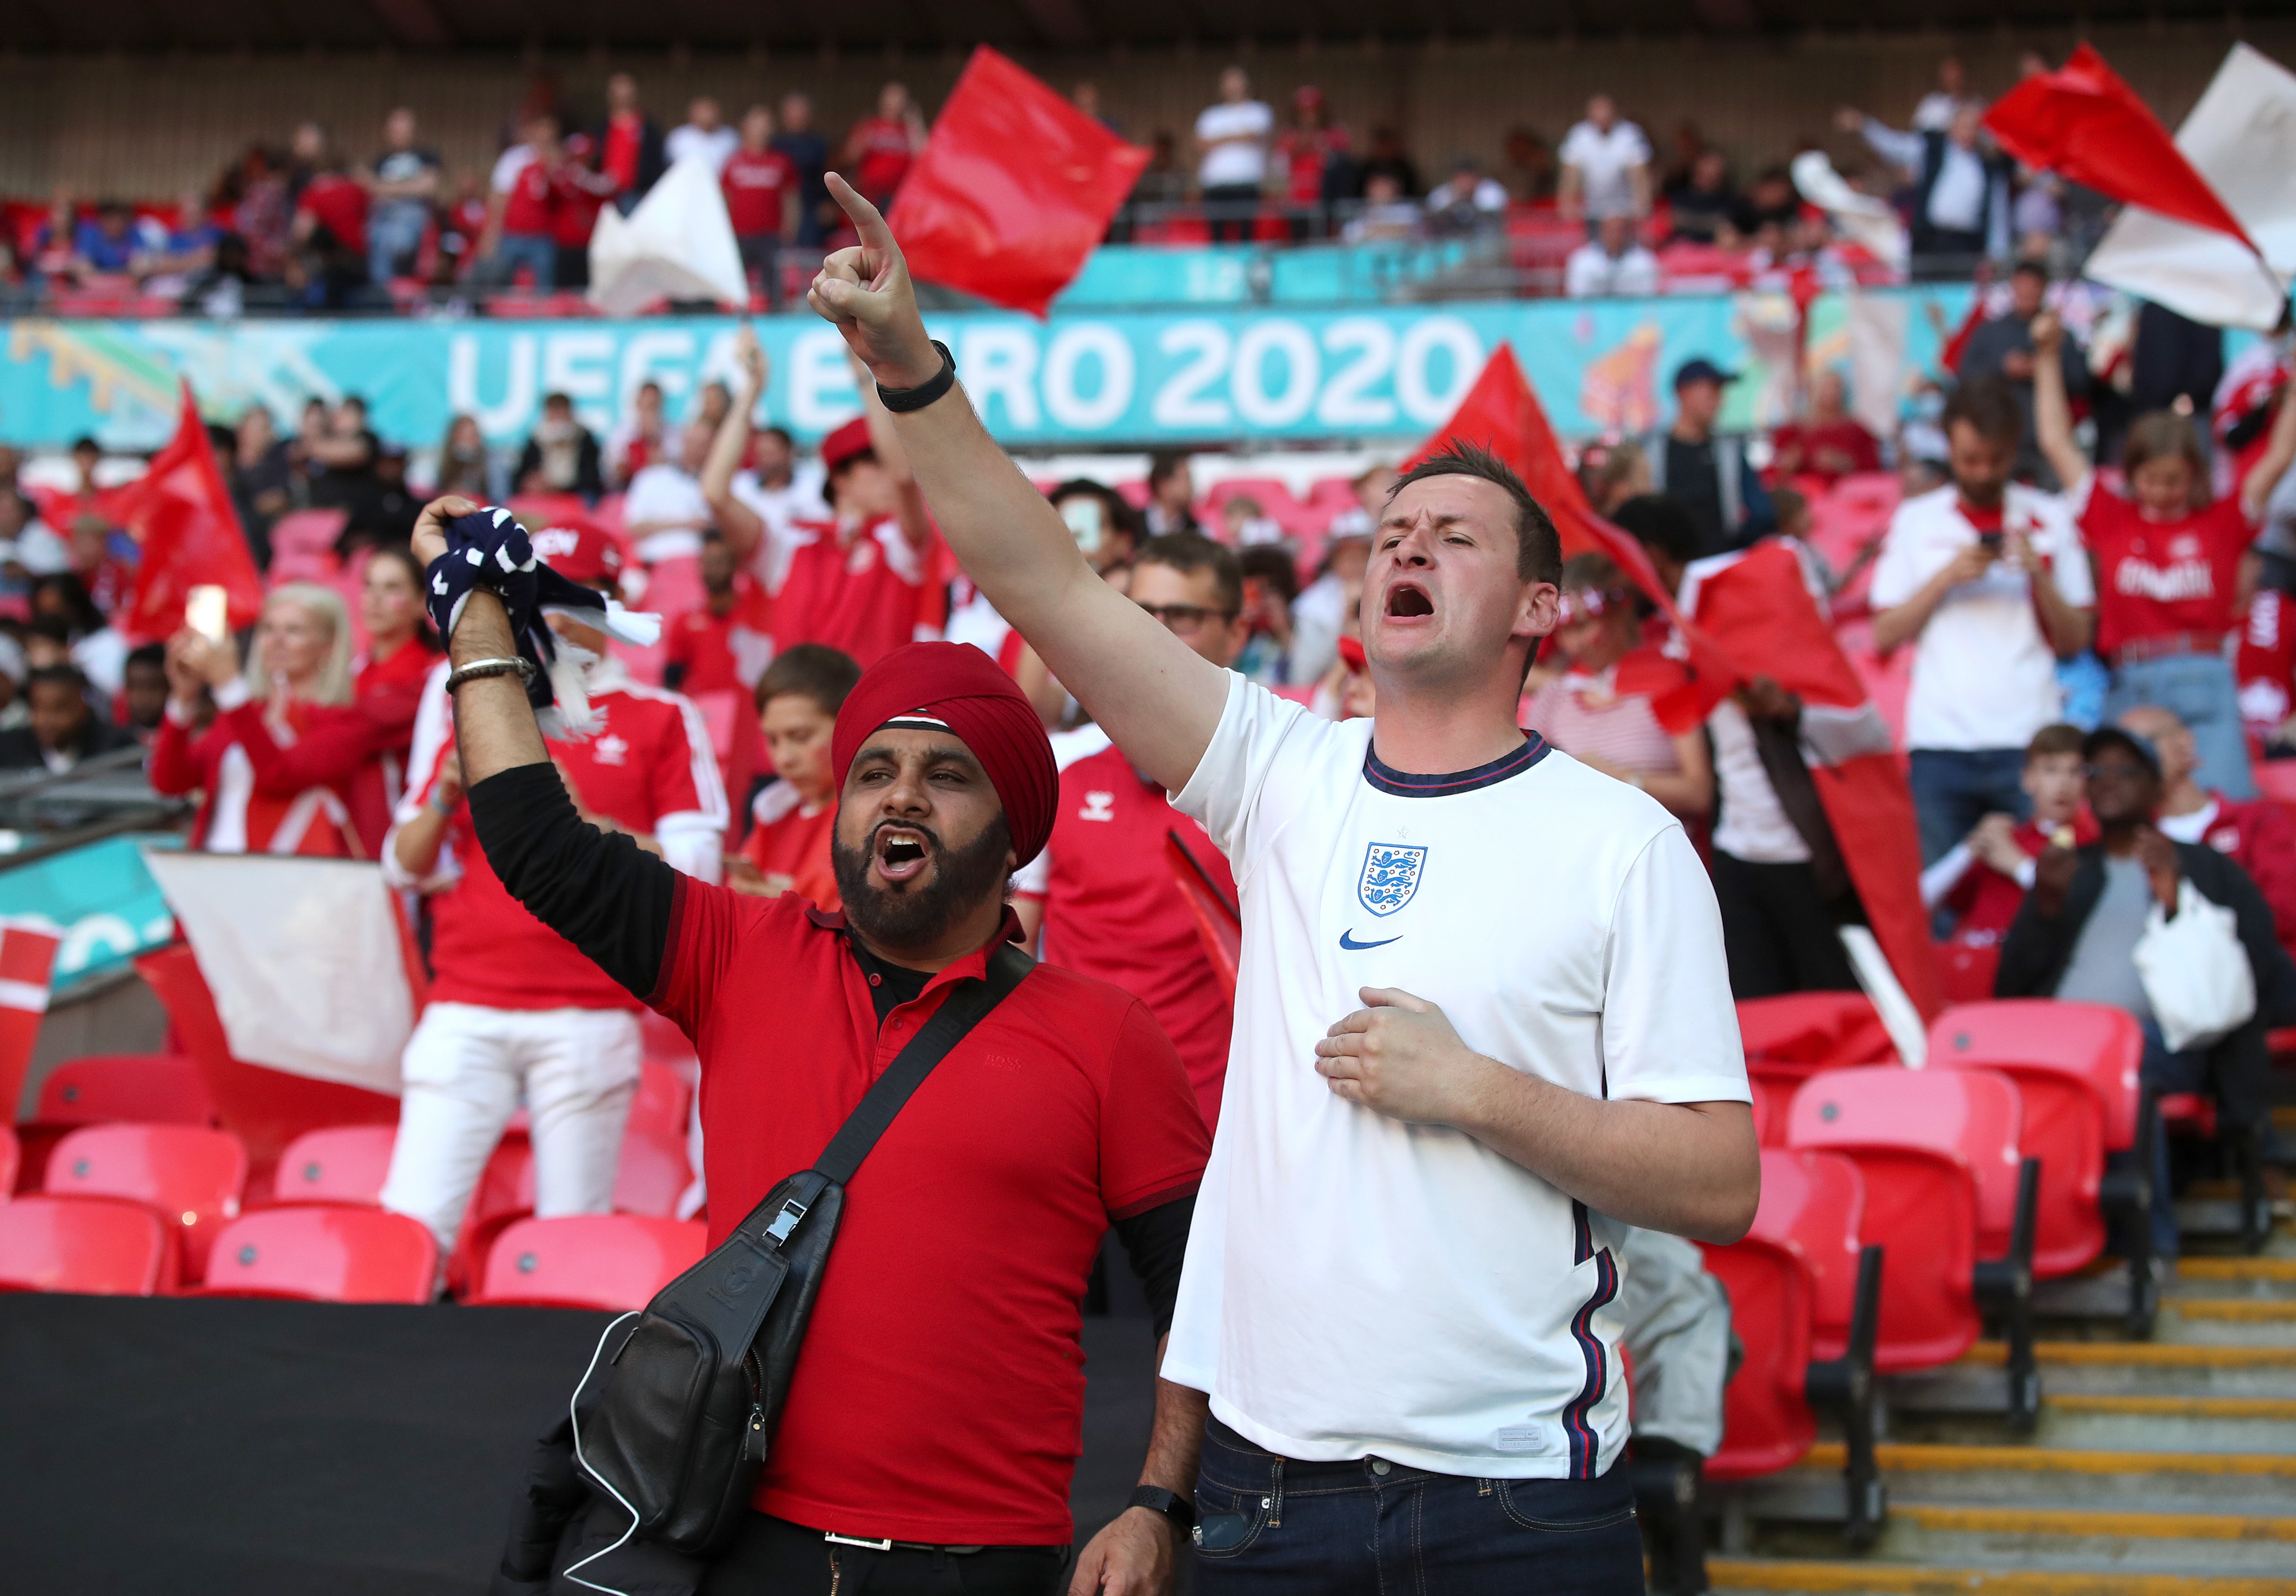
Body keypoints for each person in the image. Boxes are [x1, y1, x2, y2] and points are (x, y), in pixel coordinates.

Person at [804, 177, 1755, 1591]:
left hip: (1517, 1503)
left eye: (1453, 534)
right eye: (1388, 534)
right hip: (1262, 1500)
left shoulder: (1624, 843)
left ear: (1541, 608)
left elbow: (1721, 1183)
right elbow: (1050, 587)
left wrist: (1479, 1089)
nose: (1405, 548)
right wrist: (911, 372)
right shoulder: (1283, 772)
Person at [419, 488, 1212, 1592]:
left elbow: (1204, 1299)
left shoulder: (1107, 1035)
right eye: (874, 772)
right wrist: (476, 615)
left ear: (1013, 831)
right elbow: (534, 840)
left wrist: (1162, 1502)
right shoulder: (740, 950)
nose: (903, 796)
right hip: (742, 1542)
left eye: (948, 776)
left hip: (985, 1562)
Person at [380, 516, 726, 1273]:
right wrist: (441, 799)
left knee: (571, 1247)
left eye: (574, 597)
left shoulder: (662, 716)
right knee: (408, 1234)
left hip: (587, 1007)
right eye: (538, 596)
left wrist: (587, 825)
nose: (556, 616)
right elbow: (401, 865)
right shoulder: (457, 702)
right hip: (466, 999)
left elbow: (700, 866)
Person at [1996, 725, 2296, 1260]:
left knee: (2124, 1075)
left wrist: (2176, 897)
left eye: (2126, 769)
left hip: (2171, 1047)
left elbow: (2253, 970)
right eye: (2096, 771)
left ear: (2156, 787)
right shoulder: (2069, 871)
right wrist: (2043, 910)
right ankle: (2019, 1248)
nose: (2108, 781)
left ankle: (2145, 1254)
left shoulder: (2202, 866)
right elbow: (2010, 988)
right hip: (2058, 1047)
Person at [1013, 533, 1244, 1131]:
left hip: (1214, 1121)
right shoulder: (1061, 768)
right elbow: (1014, 947)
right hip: (1070, 1110)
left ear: (1236, 634)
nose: (1157, 633)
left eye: (1184, 617)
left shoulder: (1277, 779)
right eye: (1142, 614)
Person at [2035, 309, 2296, 801]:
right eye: (2150, 480)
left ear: (2195, 475)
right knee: (2126, 822)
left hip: (2205, 678)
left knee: (2226, 819)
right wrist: (2048, 356)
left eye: (2175, 480)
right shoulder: (2111, 515)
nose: (2161, 492)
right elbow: (2054, 441)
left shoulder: (2222, 518)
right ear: (2131, 473)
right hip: (2131, 683)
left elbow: (2279, 456)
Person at [1870, 378, 2095, 863]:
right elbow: (1884, 632)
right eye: (1969, 458)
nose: (1982, 471)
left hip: (2029, 739)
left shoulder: (2049, 516)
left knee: (2043, 894)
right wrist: (1946, 578)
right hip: (1939, 742)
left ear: (2014, 449)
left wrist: (2039, 575)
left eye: (1995, 458)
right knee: (1941, 902)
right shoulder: (1917, 520)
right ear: (1948, 445)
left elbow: (2076, 638)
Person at [702, 334, 933, 669]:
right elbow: (715, 492)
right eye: (874, 463)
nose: (889, 473)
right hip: (804, 717)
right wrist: (752, 390)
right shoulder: (788, 544)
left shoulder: (899, 544)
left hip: (876, 717)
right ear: (841, 479)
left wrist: (864, 377)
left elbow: (903, 478)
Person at [150, 585, 385, 858]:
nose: (277, 641)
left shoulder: (348, 723)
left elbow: (276, 776)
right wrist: (183, 699)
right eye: (268, 629)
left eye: (294, 630)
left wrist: (229, 686)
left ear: (328, 645)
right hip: (213, 874)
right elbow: (170, 781)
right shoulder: (243, 712)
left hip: (291, 882)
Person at [1521, 553, 1713, 825]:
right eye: (1564, 632)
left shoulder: (1667, 680)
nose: (1575, 645)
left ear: (1620, 612)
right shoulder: (1557, 693)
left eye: (1584, 626)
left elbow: (1699, 793)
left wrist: (1621, 777)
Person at [2121, 704, 2296, 948]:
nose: (2127, 764)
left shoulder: (2257, 821)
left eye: (2142, 746)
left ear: (2184, 743)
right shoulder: (2129, 841)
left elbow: (2285, 913)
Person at [726, 643, 860, 908]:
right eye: (773, 740)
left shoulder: (869, 821)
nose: (784, 758)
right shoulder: (772, 814)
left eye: (800, 738)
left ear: (851, 726)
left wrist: (787, 910)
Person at [1841, 101, 2012, 271]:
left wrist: (1996, 256)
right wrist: (1864, 125)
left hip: (1967, 246)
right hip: (1930, 240)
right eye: (1964, 125)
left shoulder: (1989, 167)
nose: (1969, 132)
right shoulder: (1931, 150)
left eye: (1975, 126)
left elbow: (1997, 213)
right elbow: (1895, 147)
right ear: (1953, 126)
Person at [1960, 261, 2087, 486]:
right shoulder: (1990, 332)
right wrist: (2003, 369)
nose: (2027, 293)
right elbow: (1965, 376)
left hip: (2048, 442)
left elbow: (2082, 380)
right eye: (2023, 286)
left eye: (2034, 287)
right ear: (2013, 287)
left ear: (2044, 289)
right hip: (2000, 439)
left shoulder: (2059, 334)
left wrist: (2044, 368)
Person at [1645, 359, 1776, 556]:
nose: (1719, 400)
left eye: (1720, 392)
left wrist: (1736, 549)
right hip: (1669, 574)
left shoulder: (1729, 451)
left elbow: (1762, 513)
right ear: (1684, 392)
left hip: (1719, 568)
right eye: (1712, 391)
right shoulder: (1651, 451)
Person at [354, 545, 442, 815]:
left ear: (421, 602)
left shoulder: (435, 676)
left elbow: (356, 731)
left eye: (392, 588)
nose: (375, 599)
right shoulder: (354, 670)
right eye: (369, 586)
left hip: (400, 820)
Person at [664, 530, 767, 698]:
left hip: (748, 710)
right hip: (705, 713)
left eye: (719, 562)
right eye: (707, 563)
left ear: (734, 565)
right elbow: (672, 679)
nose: (712, 569)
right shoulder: (685, 620)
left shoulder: (756, 614)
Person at [722, 105, 798, 307]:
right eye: (757, 124)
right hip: (739, 234)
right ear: (745, 128)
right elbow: (725, 198)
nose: (761, 130)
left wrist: (790, 228)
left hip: (770, 235)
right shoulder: (733, 161)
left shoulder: (781, 162)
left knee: (774, 285)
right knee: (734, 285)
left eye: (766, 125)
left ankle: (775, 322)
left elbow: (790, 199)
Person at [0, 664, 139, 772]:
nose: (46, 720)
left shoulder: (116, 747)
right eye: (38, 708)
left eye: (59, 709)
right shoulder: (8, 747)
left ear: (83, 707)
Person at [480, 112, 562, 291]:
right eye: (540, 129)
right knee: (502, 285)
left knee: (545, 289)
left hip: (544, 237)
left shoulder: (560, 160)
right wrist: (491, 235)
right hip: (513, 235)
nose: (545, 134)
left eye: (549, 129)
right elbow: (499, 199)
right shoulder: (514, 158)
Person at [621, 416, 717, 564]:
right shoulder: (649, 478)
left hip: (700, 564)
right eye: (692, 441)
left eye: (703, 444)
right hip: (652, 562)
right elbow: (635, 527)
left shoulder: (719, 485)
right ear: (683, 441)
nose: (697, 448)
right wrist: (686, 525)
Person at [1194, 67, 1273, 243]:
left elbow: (1254, 135)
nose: (1233, 87)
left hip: (1246, 182)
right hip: (1215, 183)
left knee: (1246, 234)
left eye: (1237, 81)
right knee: (1217, 236)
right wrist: (1237, 136)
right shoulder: (1211, 115)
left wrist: (1219, 139)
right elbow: (1202, 144)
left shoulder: (1259, 111)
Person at [1768, 368, 1883, 488]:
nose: (1830, 392)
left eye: (1835, 386)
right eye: (1824, 386)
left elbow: (1873, 470)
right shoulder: (1792, 431)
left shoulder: (1857, 430)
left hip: (1847, 494)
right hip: (1805, 492)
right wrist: (1789, 463)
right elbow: (1775, 470)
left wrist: (1844, 463)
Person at [365, 108, 441, 286]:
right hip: (383, 218)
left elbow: (429, 187)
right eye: (394, 131)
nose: (399, 135)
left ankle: (388, 293)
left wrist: (388, 188)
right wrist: (408, 187)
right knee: (375, 236)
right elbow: (372, 190)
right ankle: (383, 294)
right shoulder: (381, 160)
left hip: (414, 218)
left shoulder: (426, 156)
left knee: (395, 238)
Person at [1558, 94, 1652, 226]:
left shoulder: (1630, 134)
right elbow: (1570, 175)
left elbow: (1640, 175)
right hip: (1592, 211)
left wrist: (1643, 205)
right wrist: (1567, 205)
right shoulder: (1579, 134)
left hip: (1624, 211)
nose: (1602, 122)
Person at [843, 82, 929, 213]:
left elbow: (924, 158)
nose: (896, 104)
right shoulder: (870, 125)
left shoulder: (910, 131)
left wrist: (915, 122)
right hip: (870, 195)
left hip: (899, 197)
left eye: (900, 100)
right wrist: (862, 140)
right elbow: (849, 158)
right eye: (892, 99)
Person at [592, 72, 667, 213]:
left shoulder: (648, 129)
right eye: (618, 92)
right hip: (604, 196)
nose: (622, 96)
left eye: (627, 91)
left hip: (637, 195)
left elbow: (657, 162)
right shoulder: (601, 128)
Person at [514, 391, 604, 501]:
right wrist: (531, 483)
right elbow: (520, 477)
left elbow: (593, 478)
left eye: (561, 410)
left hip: (576, 495)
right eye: (554, 411)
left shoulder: (585, 438)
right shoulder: (535, 439)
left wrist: (559, 486)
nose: (558, 417)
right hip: (541, 495)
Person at [772, 92, 832, 247]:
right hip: (778, 207)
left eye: (802, 112)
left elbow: (829, 174)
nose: (799, 116)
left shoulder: (819, 144)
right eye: (794, 111)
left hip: (811, 207)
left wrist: (830, 202)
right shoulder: (774, 144)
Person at [1564, 213, 1661, 299]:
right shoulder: (1582, 261)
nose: (1616, 236)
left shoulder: (1644, 261)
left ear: (1629, 232)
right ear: (1601, 231)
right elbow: (1577, 299)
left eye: (1621, 230)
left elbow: (1649, 299)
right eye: (1611, 230)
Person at [1665, 148, 1742, 246]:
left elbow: (1729, 228)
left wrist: (1685, 220)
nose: (1709, 177)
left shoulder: (1731, 201)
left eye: (1714, 175)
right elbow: (1669, 222)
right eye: (1704, 172)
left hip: (1716, 254)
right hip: (1678, 253)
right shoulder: (1677, 196)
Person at [1424, 155, 1507, 236]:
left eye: (1468, 178)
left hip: (1486, 240)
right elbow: (1431, 217)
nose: (1465, 182)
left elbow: (1494, 217)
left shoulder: (1491, 191)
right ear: (1453, 178)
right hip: (1451, 241)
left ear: (1476, 177)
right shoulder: (1441, 194)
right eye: (1461, 178)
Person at [666, 95, 739, 173]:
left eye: (711, 111)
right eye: (703, 111)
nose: (708, 116)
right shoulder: (679, 136)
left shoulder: (730, 137)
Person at [432, 413, 492, 500]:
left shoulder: (490, 464)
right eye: (463, 435)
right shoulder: (440, 461)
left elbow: (498, 497)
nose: (468, 442)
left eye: (472, 436)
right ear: (453, 436)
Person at [119, 643, 170, 741]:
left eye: (153, 687)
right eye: (135, 687)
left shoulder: (192, 739)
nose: (143, 697)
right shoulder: (114, 744)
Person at [1144, 451, 1199, 538]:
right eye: (1186, 479)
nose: (1191, 487)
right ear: (1163, 485)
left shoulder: (1198, 529)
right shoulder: (1134, 526)